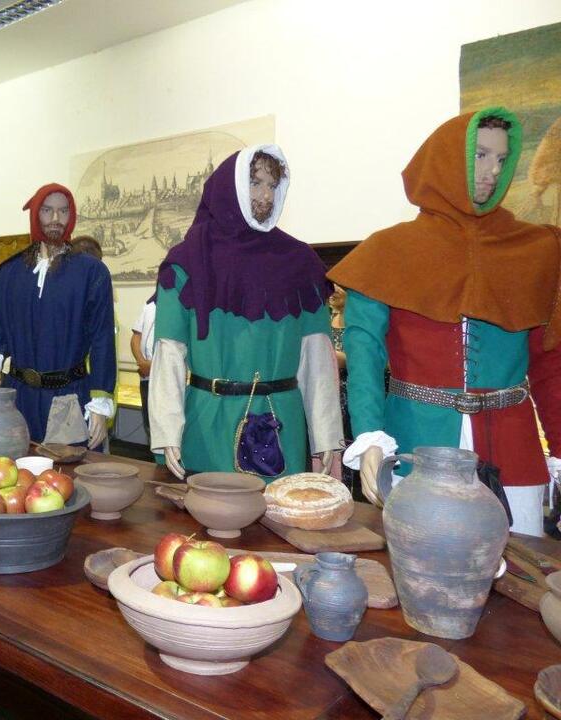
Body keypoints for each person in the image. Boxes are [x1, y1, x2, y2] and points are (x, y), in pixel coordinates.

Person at [330, 108, 561, 536]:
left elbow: (550, 363)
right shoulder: (388, 251)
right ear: (447, 160)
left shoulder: (537, 249)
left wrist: (560, 449)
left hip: (513, 447)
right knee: (422, 564)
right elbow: (364, 355)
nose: (494, 170)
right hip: (415, 443)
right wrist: (370, 438)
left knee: (524, 567)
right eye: (481, 155)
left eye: (501, 158)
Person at [150, 147, 342, 480]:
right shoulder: (187, 262)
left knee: (279, 511)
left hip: (281, 424)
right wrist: (167, 431)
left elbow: (317, 357)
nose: (266, 196)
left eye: (272, 185)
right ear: (232, 185)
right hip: (209, 424)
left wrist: (326, 435)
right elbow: (169, 354)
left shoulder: (301, 263)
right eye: (255, 183)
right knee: (208, 511)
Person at [0, 184, 116, 448]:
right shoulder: (9, 274)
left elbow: (102, 339)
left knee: (69, 471)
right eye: (47, 210)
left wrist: (100, 403)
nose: (56, 218)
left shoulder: (91, 273)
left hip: (70, 398)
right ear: (35, 214)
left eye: (63, 211)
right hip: (18, 400)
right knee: (16, 468)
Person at [131, 299, 156, 446]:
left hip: (167, 380)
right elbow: (135, 337)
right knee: (150, 427)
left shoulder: (180, 304)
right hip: (146, 379)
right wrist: (141, 362)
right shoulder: (149, 305)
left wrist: (153, 366)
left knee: (167, 429)